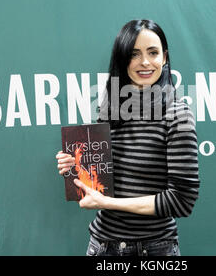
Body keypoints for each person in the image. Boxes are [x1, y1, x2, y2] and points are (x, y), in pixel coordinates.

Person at [55, 19, 200, 256]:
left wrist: (108, 204)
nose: (145, 62)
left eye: (152, 52)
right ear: (123, 60)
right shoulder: (108, 110)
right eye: (134, 54)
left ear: (164, 57)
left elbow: (182, 201)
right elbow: (98, 182)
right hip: (103, 246)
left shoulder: (178, 114)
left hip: (155, 249)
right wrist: (75, 166)